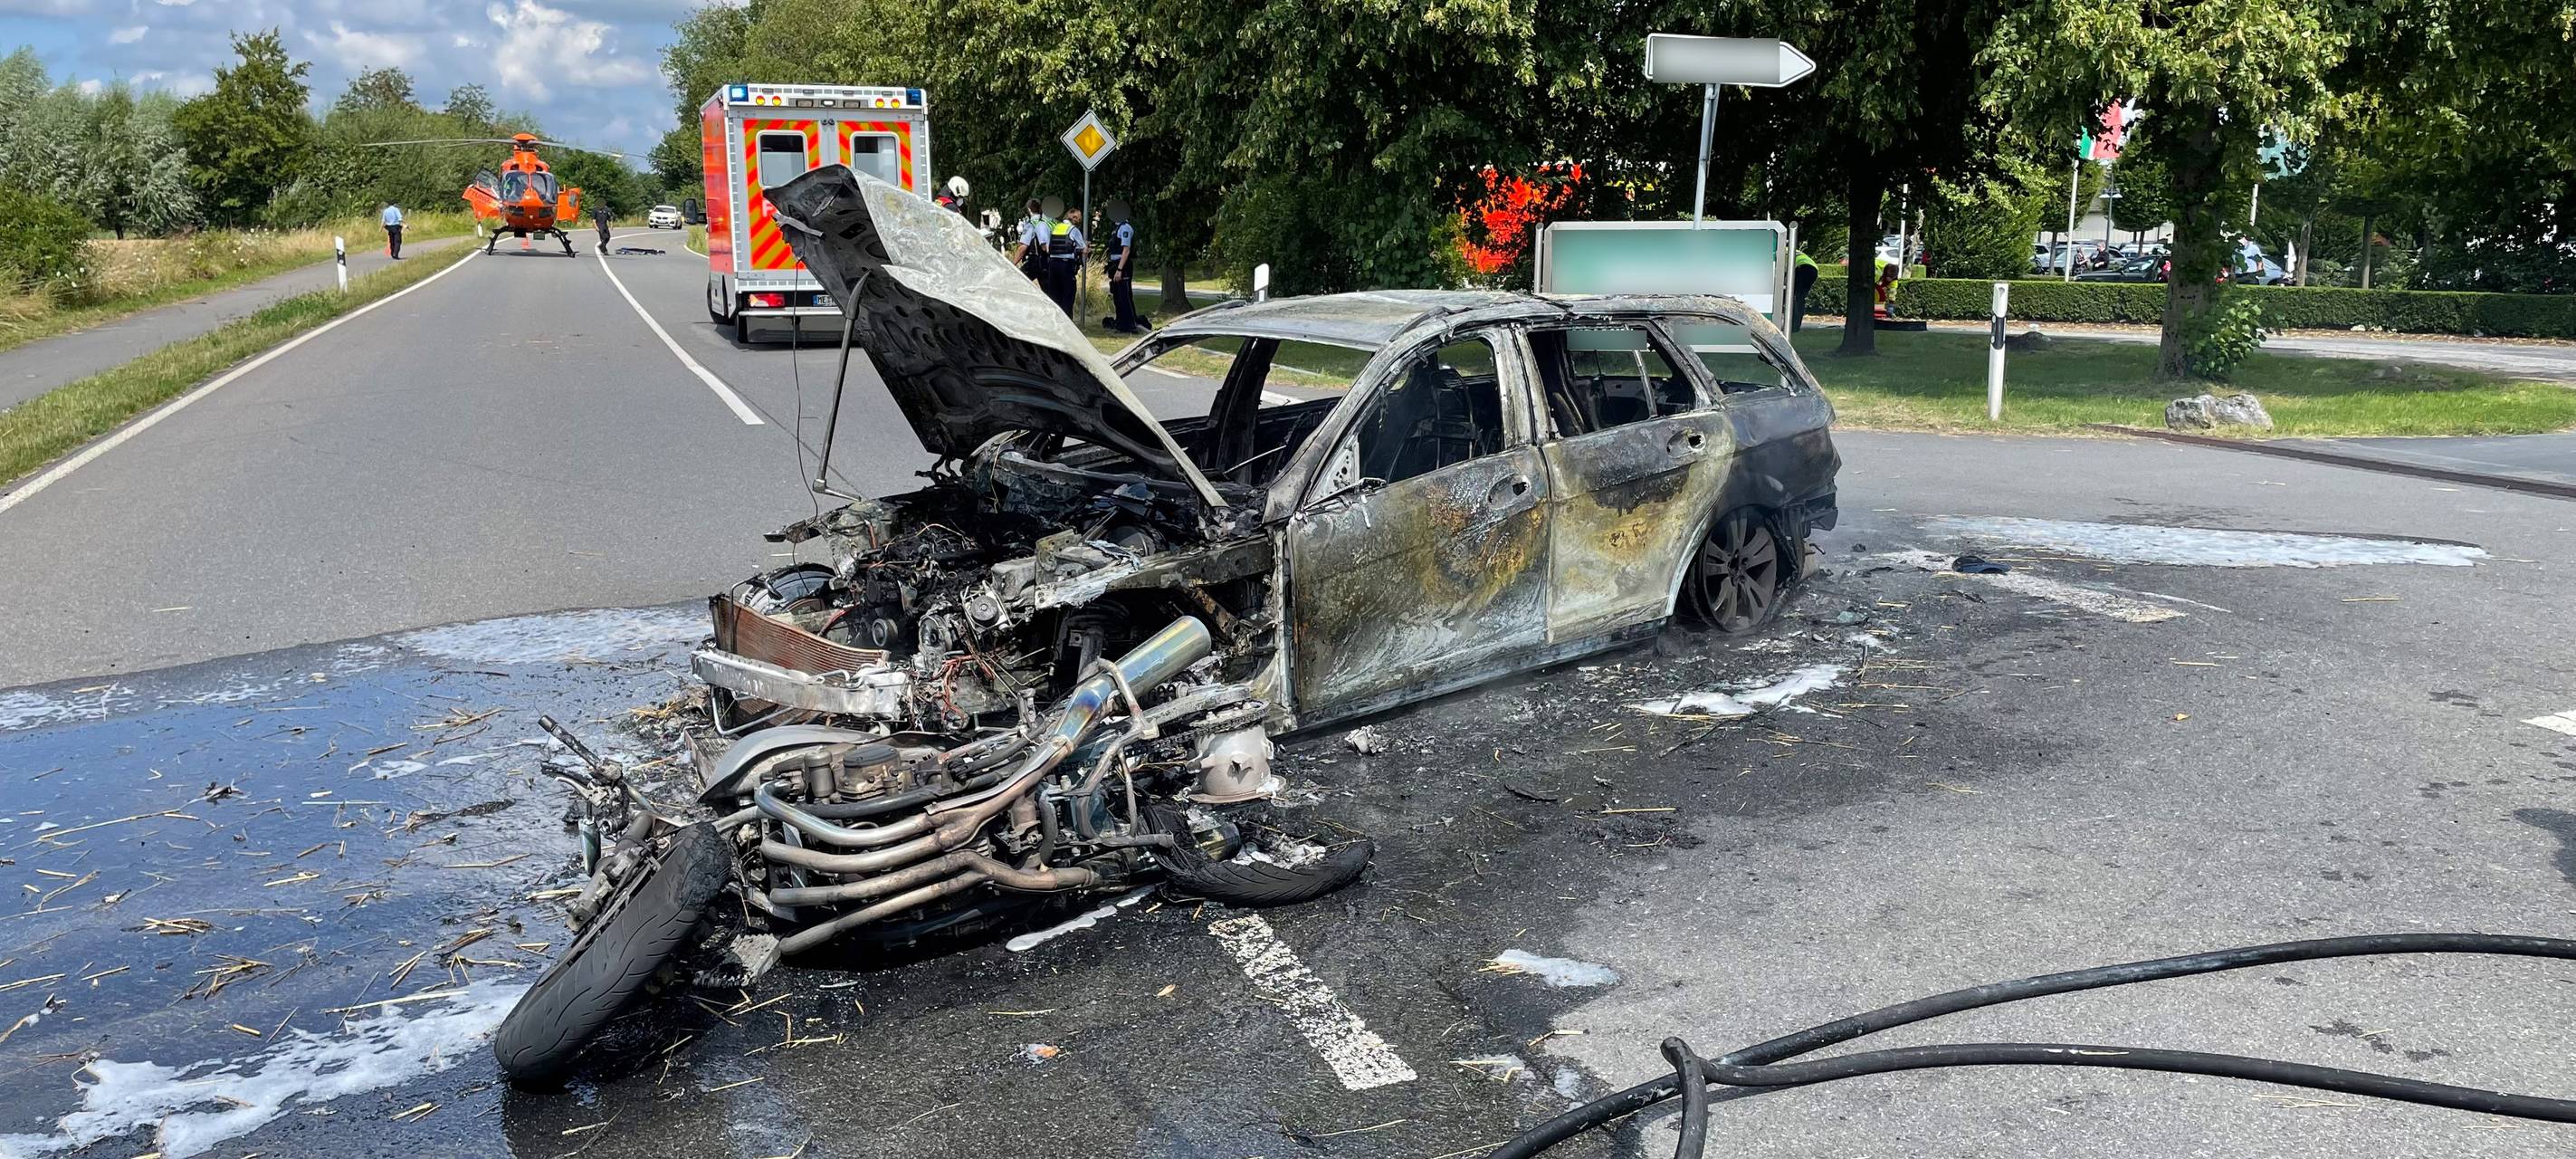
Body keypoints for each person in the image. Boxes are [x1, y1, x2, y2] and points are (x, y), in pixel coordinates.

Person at [1043, 208, 1084, 316]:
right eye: (1079, 218)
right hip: (1066, 266)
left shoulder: (1055, 227)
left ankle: (1055, 322)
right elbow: (1082, 248)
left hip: (1052, 265)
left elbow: (1048, 246)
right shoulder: (1073, 230)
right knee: (1068, 295)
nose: (1080, 220)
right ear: (1074, 219)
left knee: (1055, 296)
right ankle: (1067, 324)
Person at [1016, 199, 1050, 283]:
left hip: (1035, 261)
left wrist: (1012, 264)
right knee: (1048, 293)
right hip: (1048, 261)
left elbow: (1023, 247)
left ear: (1029, 209)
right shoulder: (1048, 223)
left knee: (1018, 282)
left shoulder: (1030, 225)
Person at [1789, 247, 1818, 333]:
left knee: (1793, 297)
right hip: (1813, 269)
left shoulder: (1779, 250)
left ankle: (1793, 325)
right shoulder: (1791, 248)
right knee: (1800, 298)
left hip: (1801, 268)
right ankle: (1796, 326)